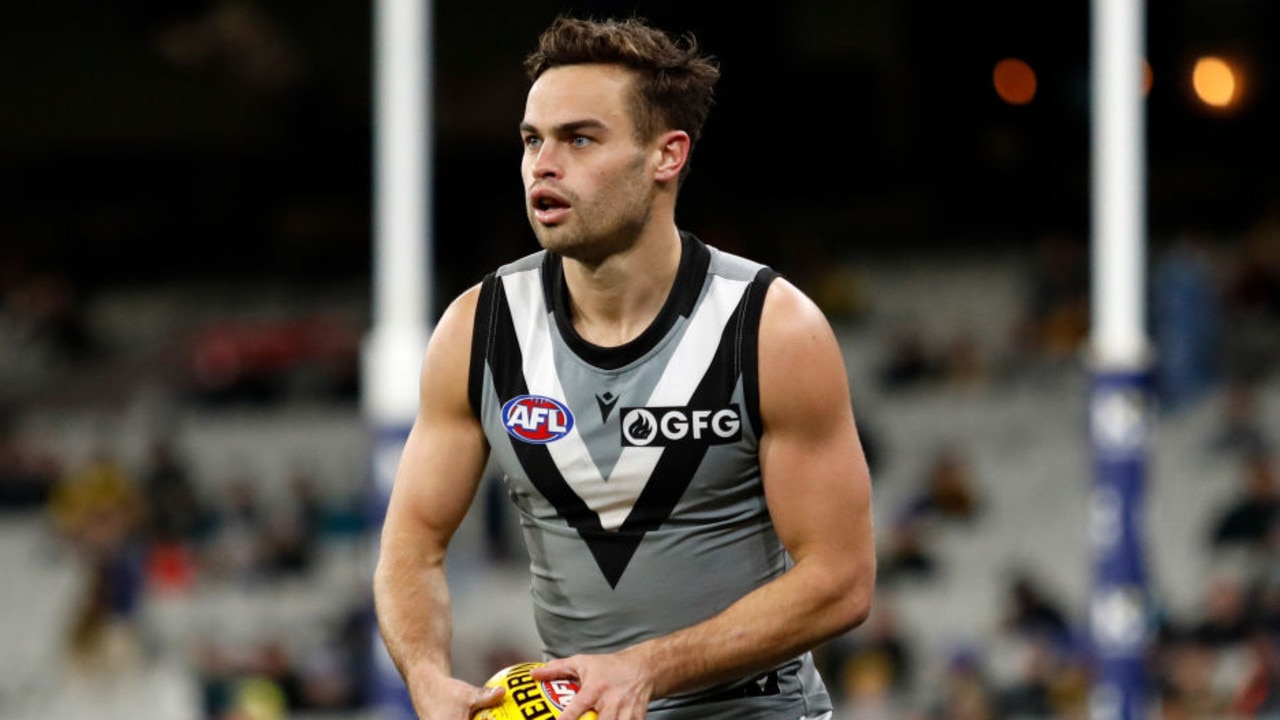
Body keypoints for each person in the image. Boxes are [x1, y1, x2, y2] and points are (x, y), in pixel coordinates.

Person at [372, 15, 876, 720]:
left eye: (579, 139)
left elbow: (841, 581)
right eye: (531, 140)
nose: (543, 165)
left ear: (667, 156)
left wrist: (645, 668)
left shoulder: (770, 328)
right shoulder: (477, 330)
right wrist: (426, 677)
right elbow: (411, 548)